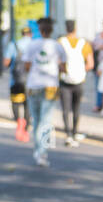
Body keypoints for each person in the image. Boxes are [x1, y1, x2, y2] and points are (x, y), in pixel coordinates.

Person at [22, 17, 64, 167]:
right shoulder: (57, 46)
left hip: (34, 85)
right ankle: (43, 152)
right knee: (46, 121)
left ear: (39, 30)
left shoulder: (32, 45)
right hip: (50, 86)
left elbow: (27, 65)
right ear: (51, 30)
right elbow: (63, 66)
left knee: (37, 119)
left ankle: (38, 150)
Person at [57, 20, 93, 146]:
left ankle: (68, 134)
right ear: (75, 29)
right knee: (76, 108)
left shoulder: (61, 42)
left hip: (65, 80)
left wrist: (65, 70)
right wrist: (80, 71)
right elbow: (90, 64)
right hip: (79, 81)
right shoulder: (84, 43)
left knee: (66, 109)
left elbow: (58, 62)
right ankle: (75, 131)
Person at [4, 25, 31, 141]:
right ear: (30, 34)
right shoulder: (34, 45)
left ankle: (19, 122)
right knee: (27, 104)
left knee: (15, 103)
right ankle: (25, 127)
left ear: (21, 34)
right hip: (30, 82)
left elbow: (6, 62)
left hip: (16, 80)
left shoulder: (13, 45)